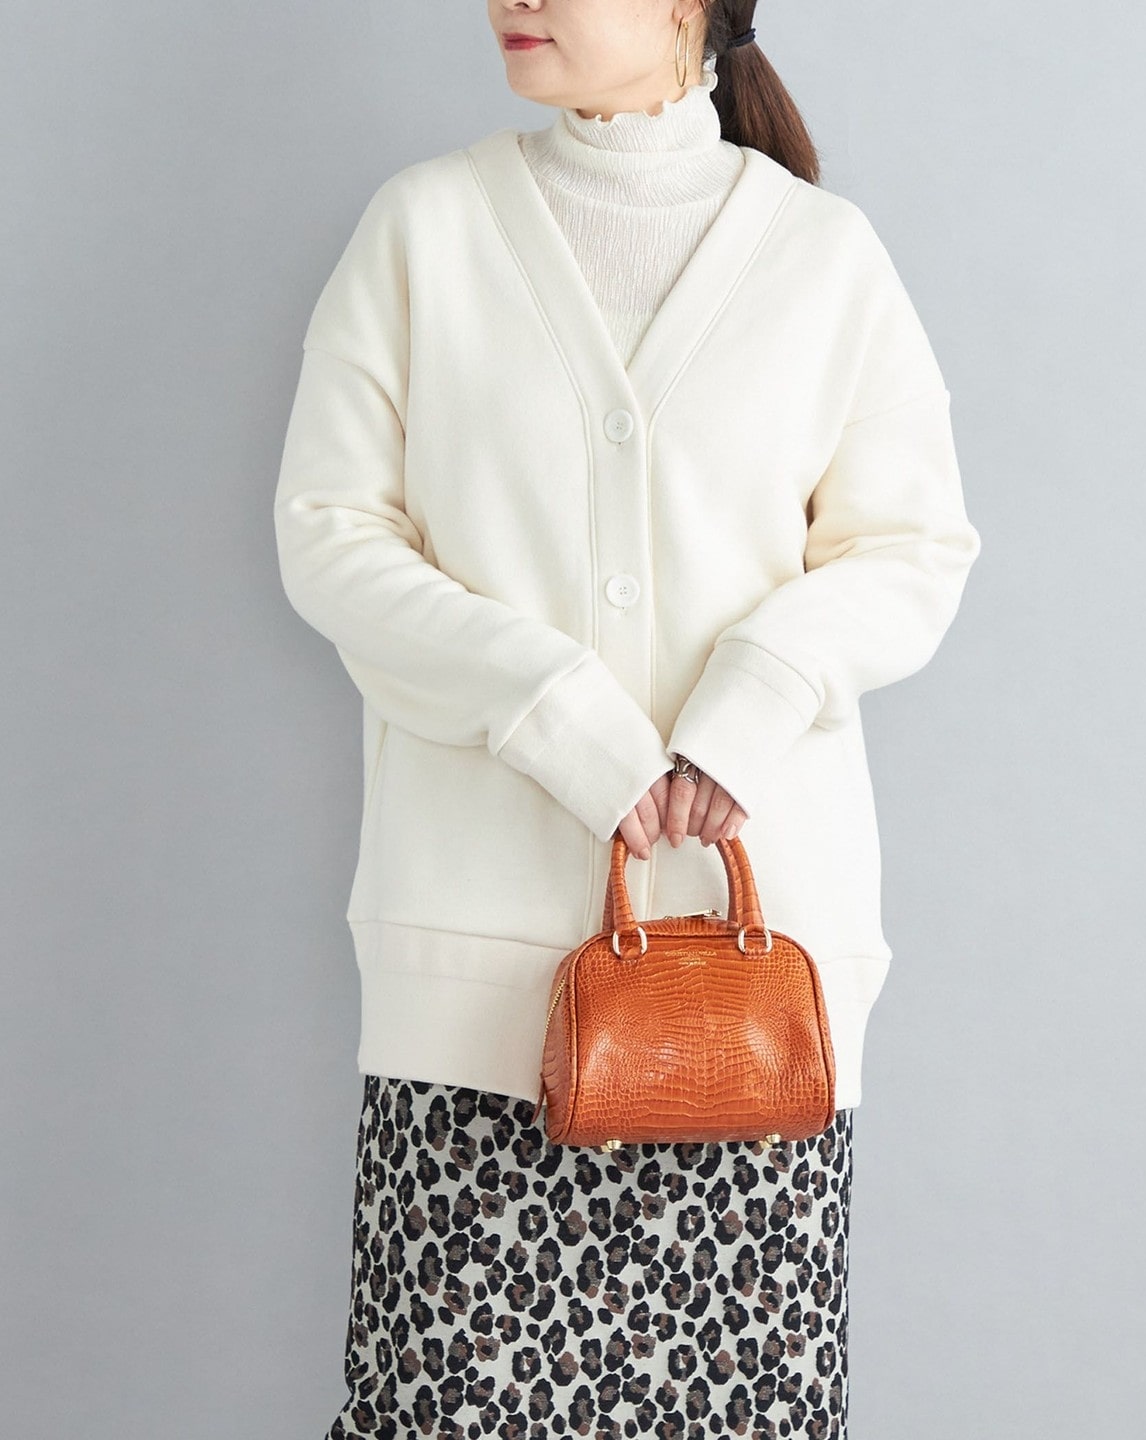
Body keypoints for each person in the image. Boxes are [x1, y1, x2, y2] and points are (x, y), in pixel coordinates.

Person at [273, 2, 982, 1435]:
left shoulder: (824, 260)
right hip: (476, 991)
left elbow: (912, 550)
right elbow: (331, 538)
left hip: (752, 1006)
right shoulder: (423, 233)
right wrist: (551, 711)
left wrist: (750, 706)